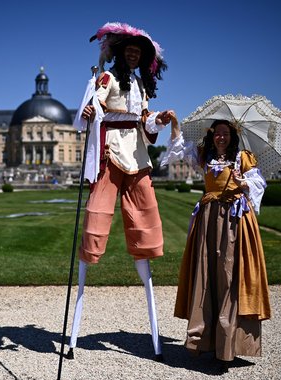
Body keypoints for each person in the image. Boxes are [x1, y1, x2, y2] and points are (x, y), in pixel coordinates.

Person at [66, 22, 173, 362]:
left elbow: (144, 120)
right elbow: (94, 106)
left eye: (138, 52)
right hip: (111, 151)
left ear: (142, 58)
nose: (132, 54)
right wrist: (88, 111)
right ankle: (86, 267)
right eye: (129, 49)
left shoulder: (141, 84)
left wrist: (160, 118)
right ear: (119, 51)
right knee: (97, 215)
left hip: (137, 155)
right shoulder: (107, 78)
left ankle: (145, 268)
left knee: (144, 212)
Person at [162, 116, 271, 373]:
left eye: (225, 133)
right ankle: (207, 340)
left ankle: (229, 343)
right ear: (212, 136)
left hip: (234, 221)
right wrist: (174, 123)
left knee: (230, 276)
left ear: (233, 136)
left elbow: (259, 183)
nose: (221, 137)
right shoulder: (204, 156)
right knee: (207, 274)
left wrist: (243, 181)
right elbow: (179, 148)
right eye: (217, 133)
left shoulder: (243, 158)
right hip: (210, 220)